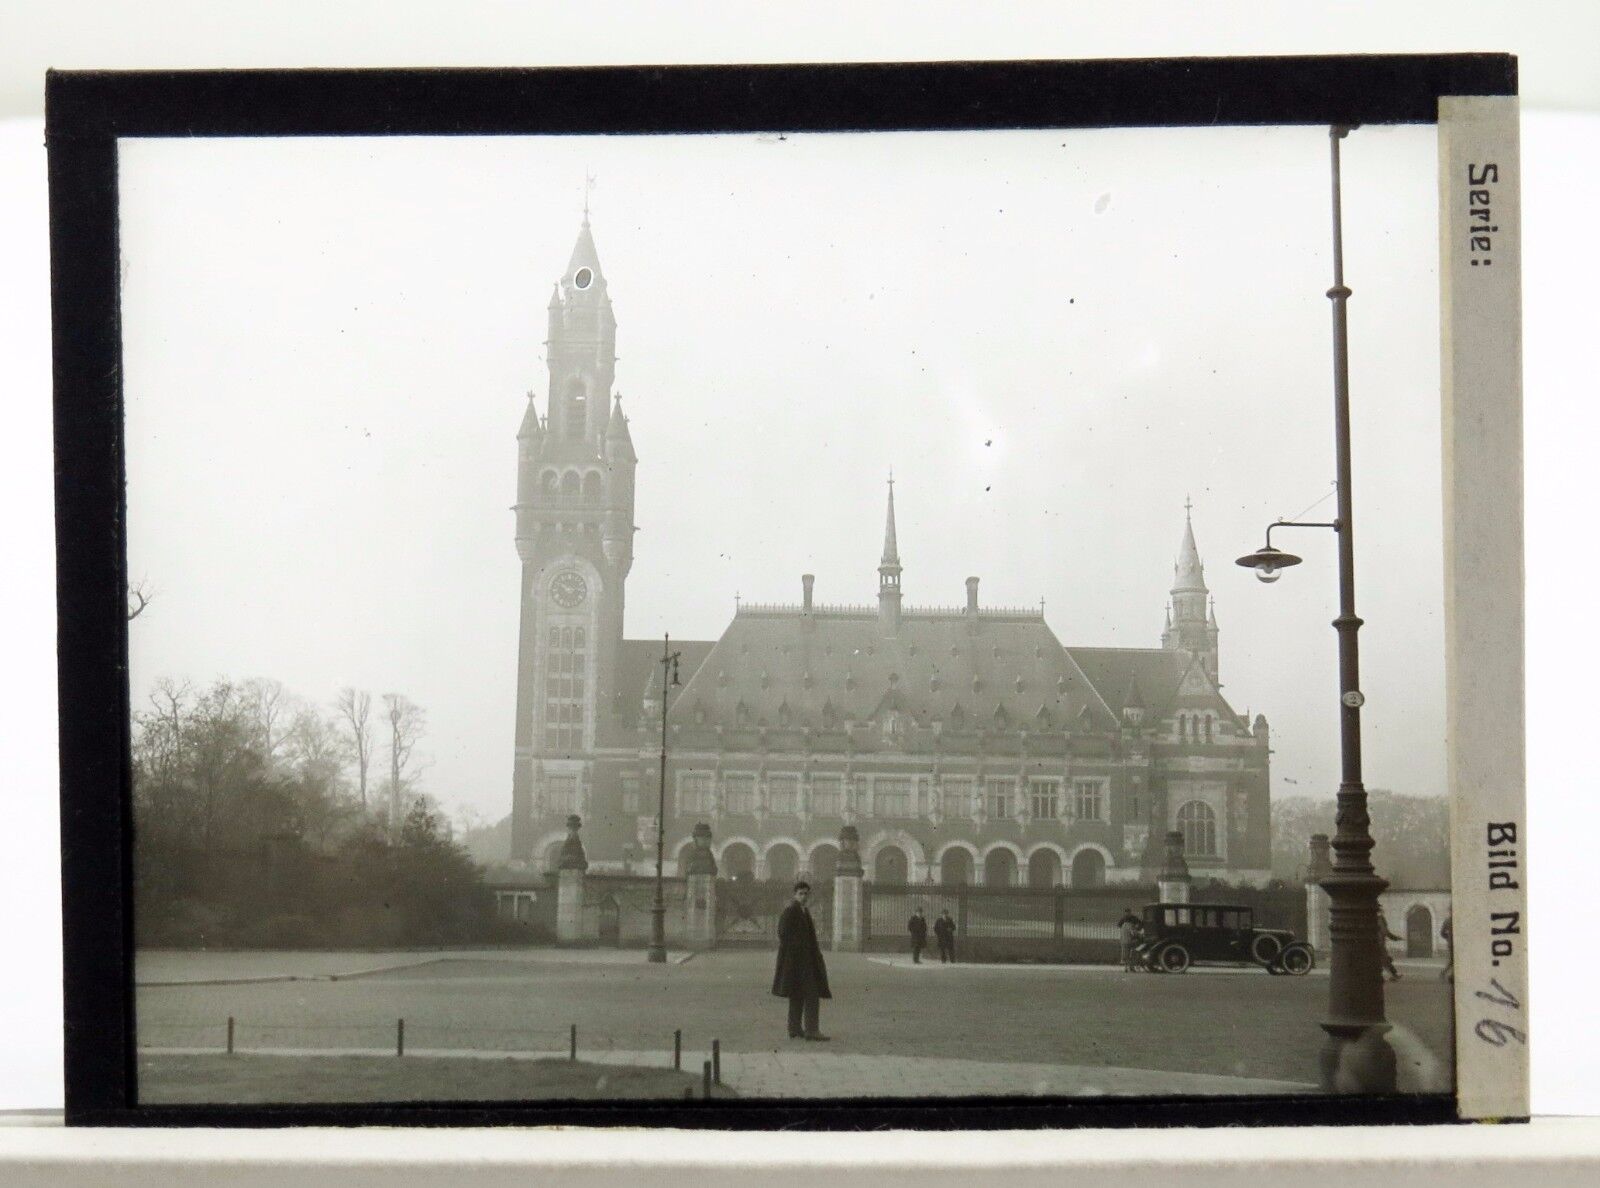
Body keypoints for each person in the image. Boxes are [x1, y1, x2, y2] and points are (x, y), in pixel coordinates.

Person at [772, 880, 831, 1041]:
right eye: (800, 894)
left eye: (806, 893)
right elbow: (783, 933)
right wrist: (799, 949)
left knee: (797, 994)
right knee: (811, 994)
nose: (803, 896)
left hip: (803, 961)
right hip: (798, 962)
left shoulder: (803, 911)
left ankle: (795, 1028)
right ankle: (812, 1030)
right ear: (795, 894)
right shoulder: (791, 911)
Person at [1377, 907, 1402, 981]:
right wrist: (1394, 938)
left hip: (1377, 942)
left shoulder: (1374, 918)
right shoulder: (1380, 919)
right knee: (1384, 959)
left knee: (1384, 959)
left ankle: (1393, 975)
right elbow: (1385, 931)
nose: (1382, 912)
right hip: (1379, 943)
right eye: (1381, 910)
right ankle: (1393, 975)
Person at [1117, 907, 1143, 972]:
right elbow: (1134, 932)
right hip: (1131, 940)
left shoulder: (1123, 920)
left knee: (1126, 954)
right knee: (1133, 953)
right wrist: (1138, 933)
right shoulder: (1132, 922)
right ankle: (1132, 967)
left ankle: (1126, 967)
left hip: (1124, 940)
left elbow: (1119, 926)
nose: (1127, 913)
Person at [1439, 914, 1454, 982]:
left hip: (1451, 944)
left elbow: (1442, 933)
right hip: (1457, 944)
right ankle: (1449, 975)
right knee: (1454, 960)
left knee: (1453, 960)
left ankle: (1450, 975)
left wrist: (1448, 938)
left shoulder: (1447, 920)